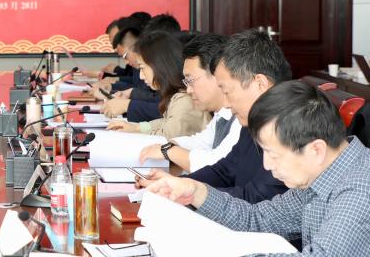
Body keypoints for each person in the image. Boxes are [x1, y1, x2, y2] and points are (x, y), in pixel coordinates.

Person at [147, 80, 370, 257]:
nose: (266, 165)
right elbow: (258, 219)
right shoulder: (325, 172)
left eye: (273, 154)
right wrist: (195, 191)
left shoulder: (362, 192)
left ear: (316, 149)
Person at [137, 29, 289, 204]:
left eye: (228, 91)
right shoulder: (253, 123)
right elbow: (224, 171)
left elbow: (254, 200)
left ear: (260, 84)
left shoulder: (289, 128)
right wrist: (179, 184)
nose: (226, 105)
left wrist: (192, 193)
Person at [138, 33, 240, 172]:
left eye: (191, 80)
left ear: (218, 74)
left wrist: (169, 150)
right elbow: (202, 141)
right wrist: (168, 146)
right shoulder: (222, 114)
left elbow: (218, 164)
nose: (189, 90)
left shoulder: (241, 117)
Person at [107, 31, 208, 138]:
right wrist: (137, 127)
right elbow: (163, 122)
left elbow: (166, 137)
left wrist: (136, 130)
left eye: (142, 68)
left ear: (159, 65)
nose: (141, 76)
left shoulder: (185, 100)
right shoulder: (176, 96)